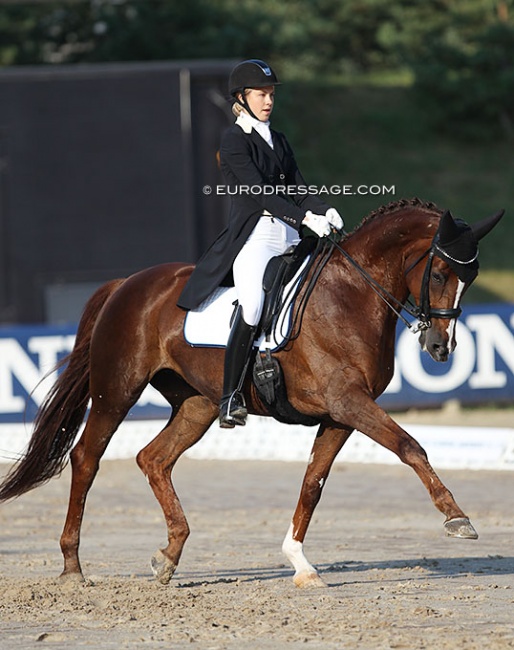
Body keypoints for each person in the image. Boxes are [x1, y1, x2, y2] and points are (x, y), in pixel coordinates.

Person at [177, 59, 343, 428]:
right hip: (256, 238)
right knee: (252, 305)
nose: (268, 101)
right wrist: (304, 218)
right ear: (242, 97)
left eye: (271, 94)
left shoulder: (278, 139)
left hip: (289, 237)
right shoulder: (234, 140)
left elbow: (297, 186)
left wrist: (324, 209)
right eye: (260, 94)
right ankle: (230, 395)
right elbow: (262, 193)